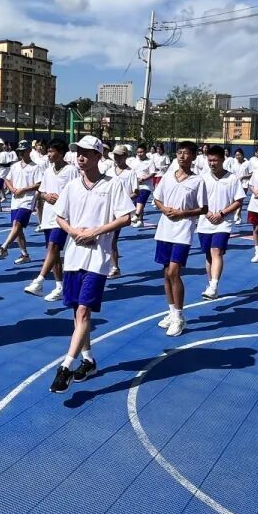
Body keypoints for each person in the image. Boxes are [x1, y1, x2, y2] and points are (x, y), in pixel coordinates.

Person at [48, 135, 135, 394]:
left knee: (84, 311)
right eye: (78, 152)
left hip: (98, 258)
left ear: (99, 156)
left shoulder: (112, 185)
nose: (81, 157)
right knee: (78, 313)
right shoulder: (72, 186)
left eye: (86, 152)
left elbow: (126, 218)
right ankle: (88, 360)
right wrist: (74, 231)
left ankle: (65, 367)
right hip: (74, 256)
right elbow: (60, 216)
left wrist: (95, 231)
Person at [152, 141, 208, 337]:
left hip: (183, 231)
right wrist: (164, 209)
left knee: (174, 272)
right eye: (179, 153)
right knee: (166, 273)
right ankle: (171, 311)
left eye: (186, 153)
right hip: (164, 230)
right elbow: (157, 198)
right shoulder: (168, 177)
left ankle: (179, 317)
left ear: (193, 157)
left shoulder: (198, 181)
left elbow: (204, 209)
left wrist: (183, 213)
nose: (182, 156)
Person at [25, 139, 76, 300]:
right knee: (52, 253)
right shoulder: (48, 171)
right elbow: (41, 192)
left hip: (63, 218)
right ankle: (60, 287)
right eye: (48, 151)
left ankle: (39, 281)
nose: (48, 154)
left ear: (61, 153)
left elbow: (76, 192)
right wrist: (46, 196)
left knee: (53, 247)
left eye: (51, 151)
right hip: (48, 217)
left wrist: (61, 199)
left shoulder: (71, 170)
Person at [196, 145, 246, 300]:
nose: (212, 163)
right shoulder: (202, 177)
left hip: (223, 223)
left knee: (216, 251)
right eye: (210, 160)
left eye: (215, 160)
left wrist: (222, 213)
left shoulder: (232, 178)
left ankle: (214, 286)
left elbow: (239, 201)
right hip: (205, 222)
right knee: (208, 255)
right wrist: (207, 213)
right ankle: (211, 284)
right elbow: (197, 200)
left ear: (223, 160)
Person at [0, 139, 42, 264]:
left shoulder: (36, 167)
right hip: (15, 200)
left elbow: (39, 184)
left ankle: (4, 247)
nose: (21, 153)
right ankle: (25, 254)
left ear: (29, 151)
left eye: (23, 151)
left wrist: (23, 189)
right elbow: (7, 179)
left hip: (28, 200)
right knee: (17, 228)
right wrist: (12, 189)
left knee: (18, 224)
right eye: (19, 151)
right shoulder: (15, 166)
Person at [106, 144, 138, 278]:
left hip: (120, 211)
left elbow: (136, 191)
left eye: (120, 156)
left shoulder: (130, 172)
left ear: (125, 156)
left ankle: (114, 267)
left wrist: (123, 200)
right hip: (107, 209)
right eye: (115, 155)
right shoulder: (109, 171)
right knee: (105, 238)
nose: (117, 158)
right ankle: (109, 265)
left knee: (112, 238)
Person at [129, 144, 157, 227]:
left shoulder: (150, 162)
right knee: (137, 203)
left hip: (146, 186)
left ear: (145, 152)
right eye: (138, 152)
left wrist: (144, 179)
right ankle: (140, 220)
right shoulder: (133, 161)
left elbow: (153, 173)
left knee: (140, 200)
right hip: (135, 186)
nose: (139, 154)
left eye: (141, 152)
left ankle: (136, 215)